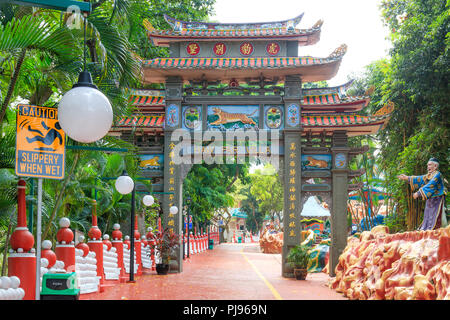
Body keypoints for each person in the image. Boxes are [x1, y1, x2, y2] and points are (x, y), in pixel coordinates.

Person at [398, 157, 447, 230]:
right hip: (430, 198)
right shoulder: (429, 175)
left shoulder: (438, 175)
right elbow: (419, 179)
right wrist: (407, 178)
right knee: (427, 216)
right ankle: (426, 230)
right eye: (428, 165)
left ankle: (433, 232)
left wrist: (418, 193)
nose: (428, 167)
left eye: (430, 165)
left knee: (434, 216)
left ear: (435, 166)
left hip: (437, 198)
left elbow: (431, 185)